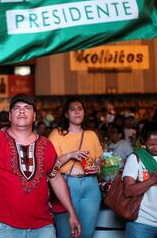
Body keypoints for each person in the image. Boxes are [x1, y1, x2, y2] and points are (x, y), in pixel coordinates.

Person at [0, 93, 81, 238]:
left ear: (34, 116)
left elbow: (57, 179)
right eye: (17, 108)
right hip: (6, 228)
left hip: (43, 228)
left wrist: (71, 213)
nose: (22, 111)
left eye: (27, 108)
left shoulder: (46, 144)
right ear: (10, 116)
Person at [48, 97, 102, 238]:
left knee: (87, 233)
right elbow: (50, 166)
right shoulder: (57, 134)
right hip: (66, 184)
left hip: (91, 185)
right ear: (66, 114)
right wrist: (70, 155)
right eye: (73, 109)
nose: (77, 112)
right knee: (67, 233)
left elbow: (98, 161)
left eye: (80, 109)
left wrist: (97, 167)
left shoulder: (91, 135)